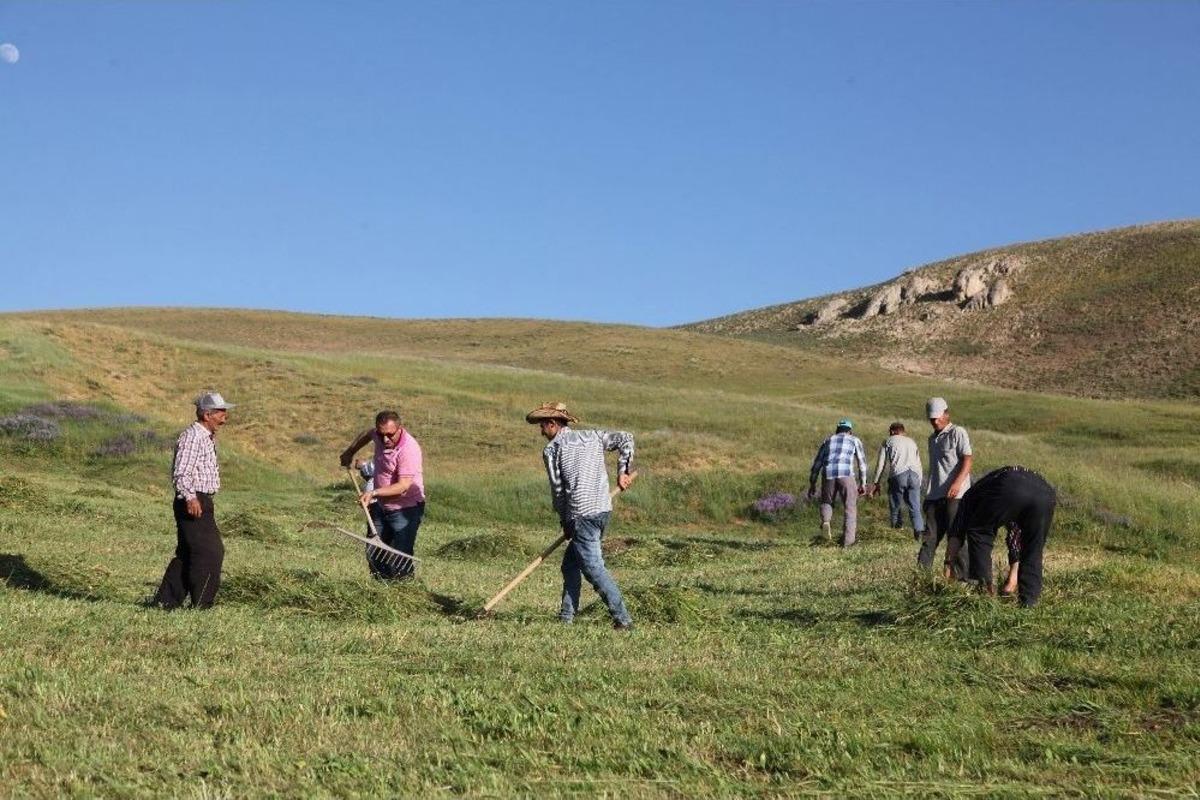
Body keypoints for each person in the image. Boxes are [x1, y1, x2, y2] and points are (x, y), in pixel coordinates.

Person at [527, 401, 635, 631]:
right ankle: (566, 616)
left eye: (542, 426)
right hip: (602, 511)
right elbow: (626, 438)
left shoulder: (552, 450)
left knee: (593, 568)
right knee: (570, 564)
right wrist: (623, 471)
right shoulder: (592, 436)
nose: (541, 431)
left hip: (581, 515)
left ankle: (623, 619)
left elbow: (558, 490)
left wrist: (565, 520)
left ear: (552, 423)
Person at [153, 391, 233, 609]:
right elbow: (181, 472)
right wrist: (190, 497)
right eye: (221, 413)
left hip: (200, 499)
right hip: (193, 499)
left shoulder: (205, 437)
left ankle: (165, 602)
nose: (225, 418)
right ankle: (202, 605)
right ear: (207, 415)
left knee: (188, 553)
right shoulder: (193, 437)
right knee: (210, 552)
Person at [946, 466, 1056, 607]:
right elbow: (1016, 536)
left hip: (1010, 485)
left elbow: (956, 534)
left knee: (979, 532)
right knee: (1033, 548)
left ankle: (984, 592)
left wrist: (948, 564)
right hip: (1046, 494)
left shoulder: (969, 499)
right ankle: (1029, 603)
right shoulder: (993, 493)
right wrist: (1011, 582)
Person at [340, 410, 425, 580]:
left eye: (390, 435)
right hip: (381, 506)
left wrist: (374, 492)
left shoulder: (408, 449)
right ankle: (382, 588)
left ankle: (404, 589)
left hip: (405, 509)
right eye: (381, 434)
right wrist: (350, 451)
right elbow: (367, 434)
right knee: (374, 553)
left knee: (400, 556)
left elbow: (403, 486)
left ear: (399, 429)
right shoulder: (379, 435)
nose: (385, 439)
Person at [917, 397, 973, 578]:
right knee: (929, 538)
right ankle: (921, 576)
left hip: (956, 495)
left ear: (946, 414)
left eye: (938, 417)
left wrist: (957, 483)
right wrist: (928, 496)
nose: (935, 421)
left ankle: (962, 578)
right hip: (934, 495)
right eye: (931, 419)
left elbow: (967, 460)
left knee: (956, 537)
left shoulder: (958, 432)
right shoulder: (931, 439)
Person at [807, 418, 869, 548]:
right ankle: (848, 542)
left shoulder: (828, 440)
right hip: (846, 474)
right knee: (850, 507)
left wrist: (812, 483)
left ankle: (826, 521)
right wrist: (863, 483)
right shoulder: (854, 440)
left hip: (828, 474)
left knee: (827, 501)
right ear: (850, 431)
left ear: (837, 430)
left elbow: (817, 463)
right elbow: (862, 464)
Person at [870, 422, 925, 539]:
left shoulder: (888, 441)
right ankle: (919, 532)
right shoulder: (912, 442)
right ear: (903, 431)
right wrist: (919, 481)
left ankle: (896, 531)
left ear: (892, 431)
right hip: (915, 475)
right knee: (915, 506)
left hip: (899, 474)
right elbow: (919, 463)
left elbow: (881, 464)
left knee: (895, 505)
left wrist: (876, 482)